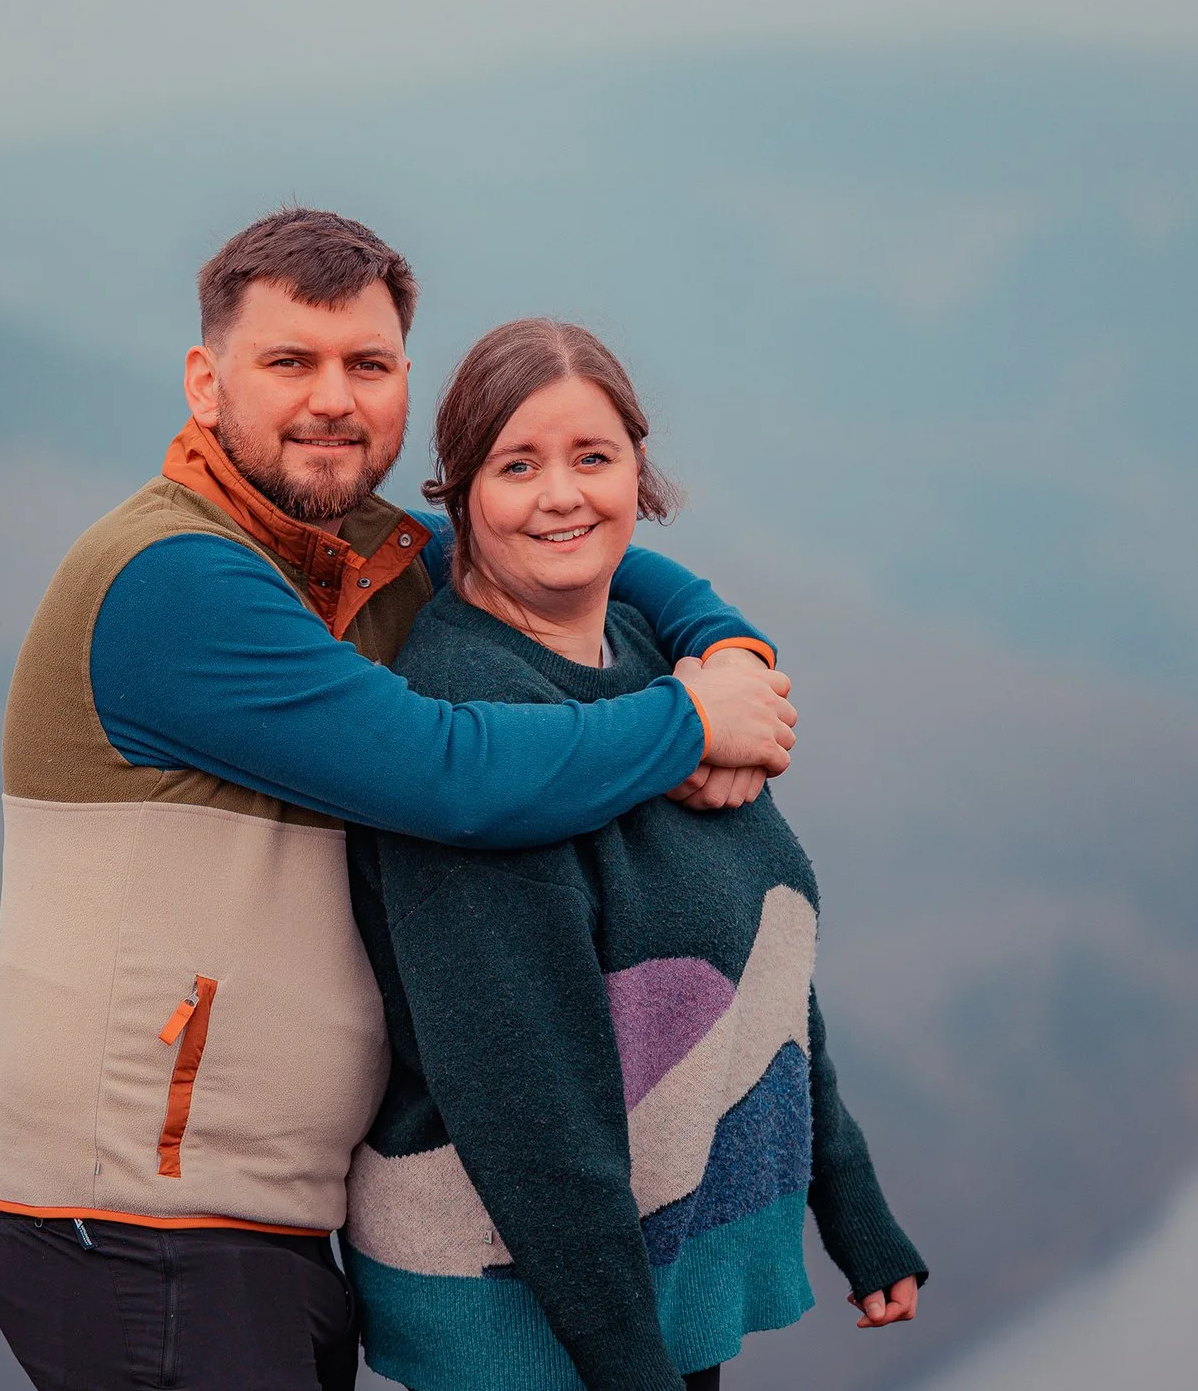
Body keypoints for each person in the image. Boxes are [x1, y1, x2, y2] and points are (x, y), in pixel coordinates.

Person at [0, 211, 802, 1390]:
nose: (332, 398)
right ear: (206, 383)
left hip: (272, 1220)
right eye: (289, 362)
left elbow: (563, 543)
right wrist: (689, 722)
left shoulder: (352, 552)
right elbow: (449, 772)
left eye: (366, 364)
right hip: (136, 1221)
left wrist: (729, 648)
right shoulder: (173, 579)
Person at [343, 319, 925, 1391]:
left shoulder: (662, 668)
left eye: (592, 457)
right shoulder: (478, 730)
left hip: (643, 1273)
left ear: (637, 472)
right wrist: (626, 1367)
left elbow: (761, 952)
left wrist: (851, 1201)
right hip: (522, 1302)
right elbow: (529, 1108)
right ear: (460, 492)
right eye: (518, 465)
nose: (562, 495)